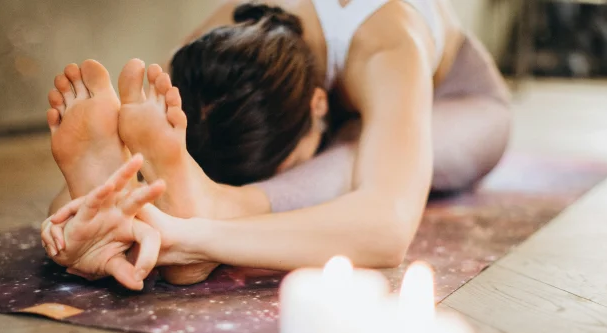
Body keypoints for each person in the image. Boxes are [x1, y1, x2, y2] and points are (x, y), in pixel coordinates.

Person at [41, 0, 511, 289]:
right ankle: (169, 194)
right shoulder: (235, 31)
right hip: (343, 113)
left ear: (319, 103)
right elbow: (146, 118)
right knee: (177, 143)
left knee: (356, 153)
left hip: (462, 106)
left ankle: (221, 203)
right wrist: (101, 195)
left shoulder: (388, 45)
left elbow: (386, 227)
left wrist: (195, 240)